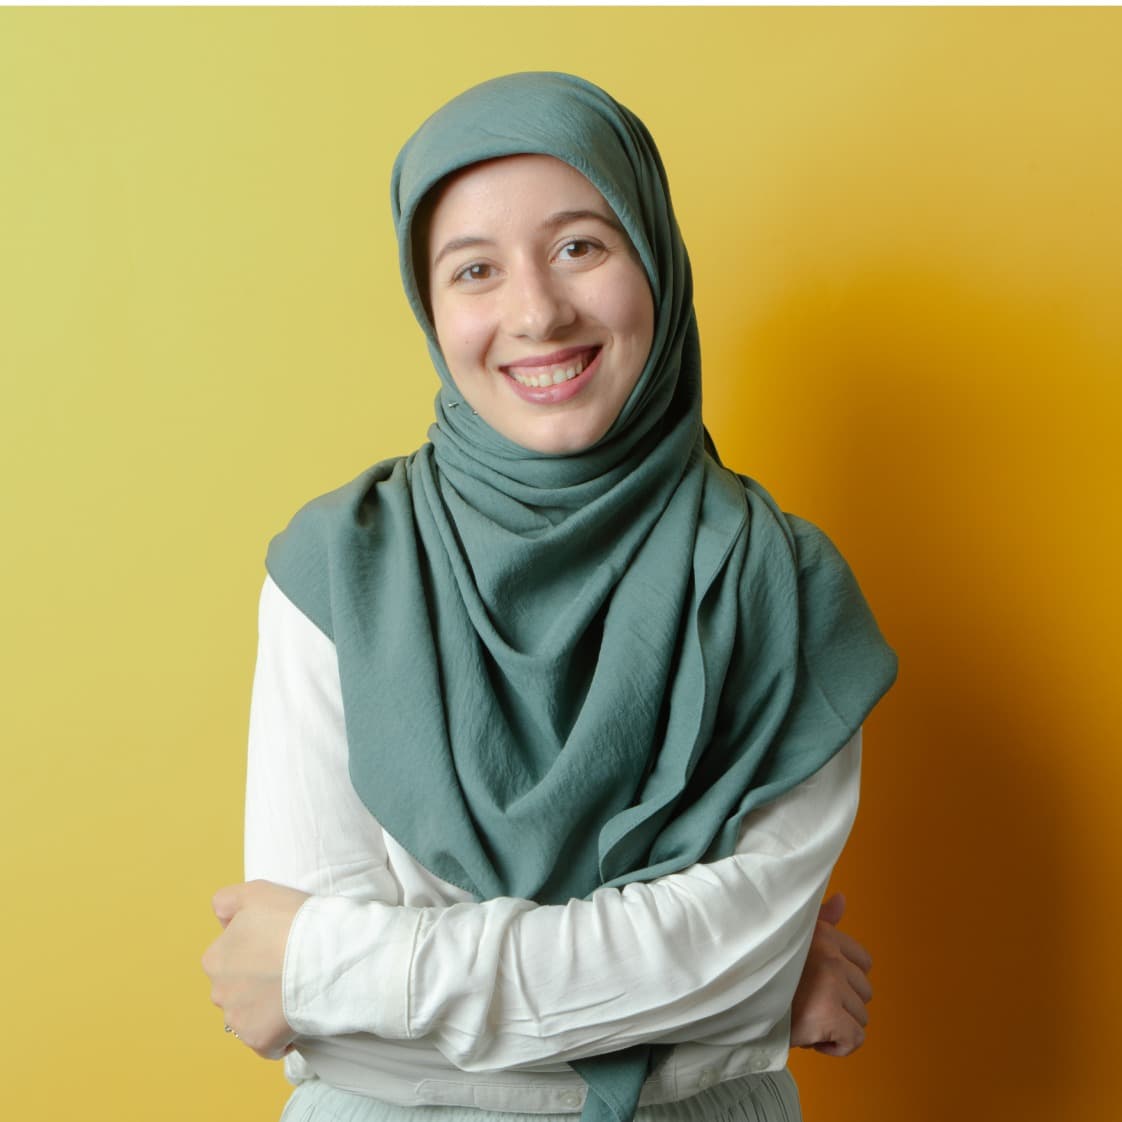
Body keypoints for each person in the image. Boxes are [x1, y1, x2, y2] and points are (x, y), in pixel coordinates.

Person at [202, 72, 897, 1122]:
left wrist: (330, 967)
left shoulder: (785, 587)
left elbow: (311, 985)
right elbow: (339, 1048)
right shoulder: (339, 567)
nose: (536, 312)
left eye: (581, 245)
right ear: (428, 308)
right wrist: (738, 1008)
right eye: (473, 270)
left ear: (654, 256)